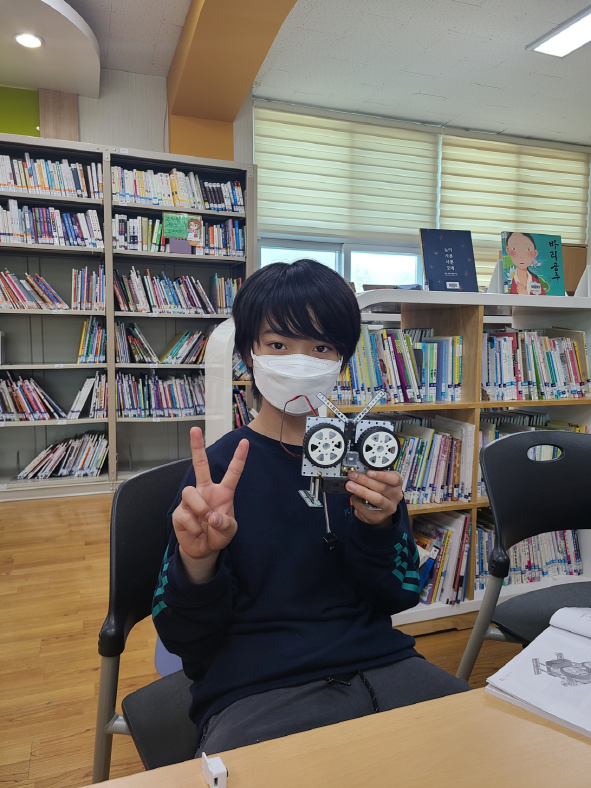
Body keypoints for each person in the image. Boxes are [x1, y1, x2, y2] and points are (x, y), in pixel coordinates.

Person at [152, 259, 470, 756]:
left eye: (321, 347)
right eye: (278, 344)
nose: (299, 361)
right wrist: (199, 562)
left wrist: (379, 525)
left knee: (480, 748)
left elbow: (401, 592)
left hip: (383, 664)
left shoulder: (363, 460)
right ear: (249, 354)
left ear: (341, 360)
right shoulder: (215, 474)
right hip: (257, 685)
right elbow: (181, 636)